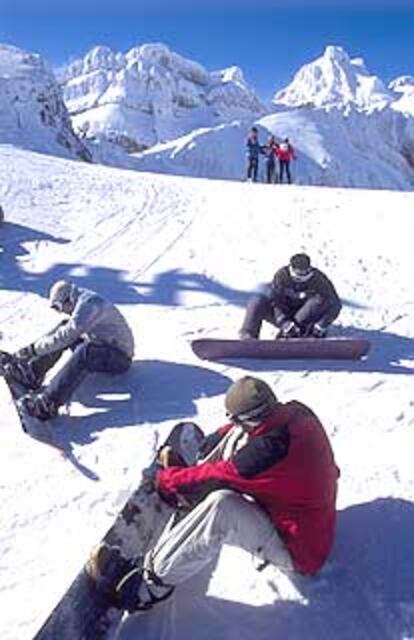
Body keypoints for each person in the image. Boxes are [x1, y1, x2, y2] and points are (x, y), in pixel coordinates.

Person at [89, 376, 339, 612]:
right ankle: (188, 493)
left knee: (223, 507)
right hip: (298, 509)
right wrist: (215, 438)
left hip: (299, 549)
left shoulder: (268, 454)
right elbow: (240, 433)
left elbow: (221, 475)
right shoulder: (294, 412)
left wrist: (166, 479)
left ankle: (147, 588)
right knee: (238, 438)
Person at [4, 280, 134, 420]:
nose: (61, 311)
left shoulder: (90, 305)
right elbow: (64, 332)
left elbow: (66, 336)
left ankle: (48, 403)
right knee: (66, 326)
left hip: (120, 357)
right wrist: (30, 350)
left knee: (85, 351)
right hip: (104, 346)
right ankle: (34, 371)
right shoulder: (82, 301)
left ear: (69, 299)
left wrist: (33, 350)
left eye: (58, 307)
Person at [239, 253, 342, 340]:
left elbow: (335, 304)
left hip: (306, 318)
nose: (301, 275)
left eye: (305, 271)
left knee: (320, 300)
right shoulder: (282, 276)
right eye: (298, 272)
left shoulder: (319, 279)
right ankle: (248, 336)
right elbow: (275, 301)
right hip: (284, 315)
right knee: (257, 301)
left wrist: (322, 324)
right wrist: (284, 322)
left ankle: (301, 334)